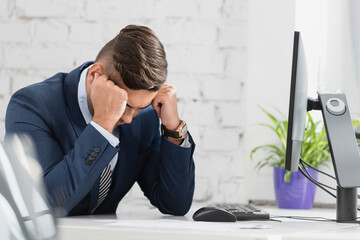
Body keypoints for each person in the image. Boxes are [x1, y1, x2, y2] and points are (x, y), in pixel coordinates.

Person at [5, 25, 195, 216]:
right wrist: (102, 125)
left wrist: (173, 130)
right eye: (126, 105)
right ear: (95, 75)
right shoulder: (31, 106)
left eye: (141, 107)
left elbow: (174, 204)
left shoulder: (145, 117)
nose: (129, 119)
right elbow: (45, 203)